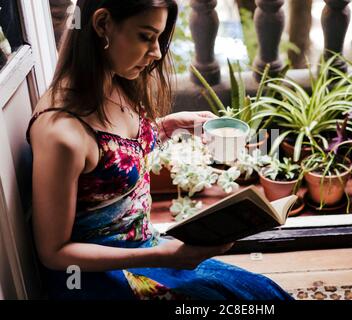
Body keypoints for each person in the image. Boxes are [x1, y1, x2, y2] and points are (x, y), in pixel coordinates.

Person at [25, 0, 293, 300]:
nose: (155, 53)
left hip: (147, 251)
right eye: (146, 36)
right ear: (102, 25)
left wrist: (168, 127)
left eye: (159, 38)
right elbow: (54, 253)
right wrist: (164, 257)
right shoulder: (62, 133)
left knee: (262, 294)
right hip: (102, 278)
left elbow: (117, 154)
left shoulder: (113, 83)